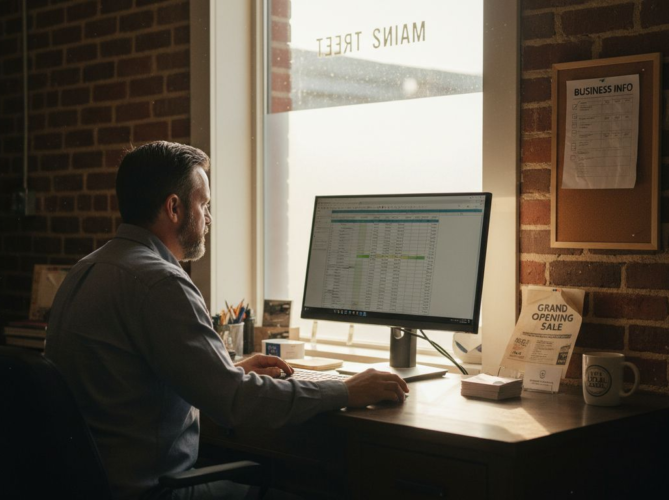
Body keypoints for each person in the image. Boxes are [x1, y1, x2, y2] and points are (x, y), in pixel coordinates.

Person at [45, 141, 409, 500]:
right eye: (204, 204)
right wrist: (346, 390)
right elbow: (235, 404)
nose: (209, 218)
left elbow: (130, 380)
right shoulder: (161, 282)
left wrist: (225, 369)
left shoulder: (87, 268)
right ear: (174, 208)